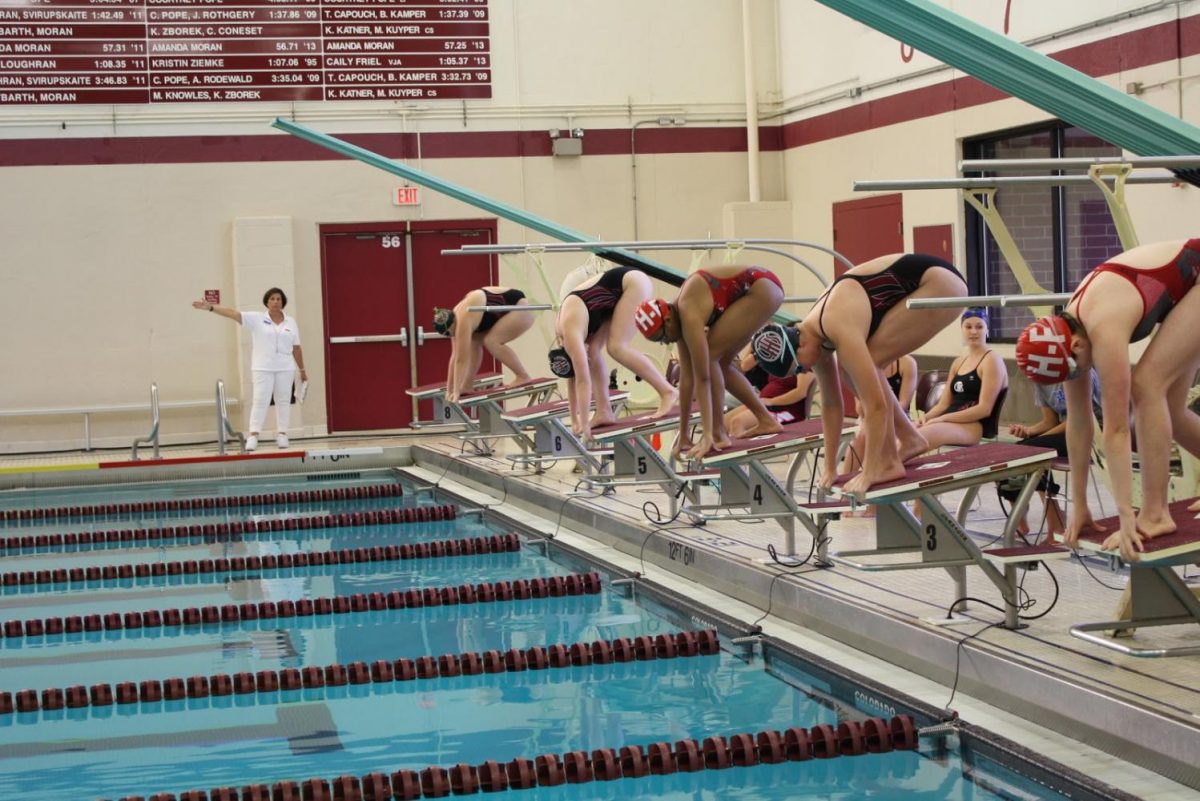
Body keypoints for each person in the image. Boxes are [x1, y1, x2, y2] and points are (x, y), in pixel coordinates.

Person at [1016, 239, 1200, 562]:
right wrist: (1080, 503)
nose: (1081, 375)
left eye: (1074, 369)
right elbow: (1079, 420)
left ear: (1074, 347)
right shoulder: (1069, 330)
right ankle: (1151, 511)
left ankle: (1155, 514)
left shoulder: (1103, 327)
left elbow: (1116, 430)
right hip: (1188, 291)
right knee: (1168, 407)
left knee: (1146, 385)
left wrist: (1127, 514)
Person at [750, 254, 967, 496]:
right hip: (926, 283)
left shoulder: (834, 322)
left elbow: (875, 406)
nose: (805, 371)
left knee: (867, 363)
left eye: (799, 368)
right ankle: (909, 439)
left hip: (942, 285)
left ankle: (887, 462)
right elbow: (831, 405)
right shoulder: (813, 339)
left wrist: (869, 471)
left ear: (799, 345)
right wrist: (830, 467)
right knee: (854, 369)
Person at [634, 264, 786, 459]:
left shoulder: (688, 312)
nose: (666, 342)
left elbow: (703, 377)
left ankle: (718, 433)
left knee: (712, 357)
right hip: (762, 288)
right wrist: (683, 435)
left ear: (668, 321)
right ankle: (765, 419)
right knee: (721, 364)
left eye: (661, 338)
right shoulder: (677, 318)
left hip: (763, 287)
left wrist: (707, 435)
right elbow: (687, 380)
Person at [551, 267, 677, 441]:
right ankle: (604, 411)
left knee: (617, 347)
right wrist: (574, 420)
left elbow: (582, 380)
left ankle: (667, 391)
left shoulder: (571, 333)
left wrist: (585, 425)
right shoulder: (569, 339)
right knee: (594, 352)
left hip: (631, 283)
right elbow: (572, 379)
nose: (582, 357)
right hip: (612, 297)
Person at [193, 288, 307, 451]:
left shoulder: (291, 322)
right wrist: (211, 307)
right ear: (267, 302)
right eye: (272, 299)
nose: (276, 302)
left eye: (279, 299)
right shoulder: (257, 319)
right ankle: (253, 435)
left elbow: (296, 348)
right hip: (262, 368)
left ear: (283, 302)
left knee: (283, 401)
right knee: (261, 400)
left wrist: (302, 369)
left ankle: (282, 434)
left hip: (285, 368)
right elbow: (233, 313)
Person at [1001, 370, 1102, 543]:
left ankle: (1055, 522)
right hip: (1065, 431)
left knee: (1032, 452)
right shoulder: (1040, 378)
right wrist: (1028, 431)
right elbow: (1050, 422)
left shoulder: (1081, 372)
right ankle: (1021, 518)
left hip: (1092, 433)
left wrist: (1038, 441)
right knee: (1012, 454)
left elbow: (1080, 419)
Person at [914, 308, 1008, 450]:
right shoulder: (958, 362)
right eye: (968, 327)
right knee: (907, 430)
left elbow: (984, 409)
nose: (973, 332)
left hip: (972, 425)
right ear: (962, 330)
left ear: (987, 330)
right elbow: (943, 405)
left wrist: (942, 419)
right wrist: (925, 418)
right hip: (949, 421)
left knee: (919, 437)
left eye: (979, 327)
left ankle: (890, 468)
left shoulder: (991, 360)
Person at [434, 287, 535, 403]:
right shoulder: (454, 319)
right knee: (473, 341)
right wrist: (449, 389)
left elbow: (461, 360)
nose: (452, 335)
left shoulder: (463, 319)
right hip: (508, 307)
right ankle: (467, 385)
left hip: (520, 307)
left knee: (491, 341)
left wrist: (455, 391)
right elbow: (455, 356)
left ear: (452, 324)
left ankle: (522, 376)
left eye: (450, 333)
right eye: (448, 335)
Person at [839, 353, 918, 476]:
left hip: (898, 418)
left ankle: (876, 471)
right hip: (869, 416)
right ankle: (847, 479)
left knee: (869, 432)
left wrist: (884, 414)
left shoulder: (907, 363)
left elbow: (903, 403)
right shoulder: (863, 363)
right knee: (861, 437)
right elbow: (860, 409)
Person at [723, 368, 814, 438]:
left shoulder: (804, 365)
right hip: (765, 404)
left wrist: (771, 401)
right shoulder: (784, 363)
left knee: (737, 422)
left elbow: (801, 392)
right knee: (721, 424)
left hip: (785, 411)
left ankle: (738, 460)